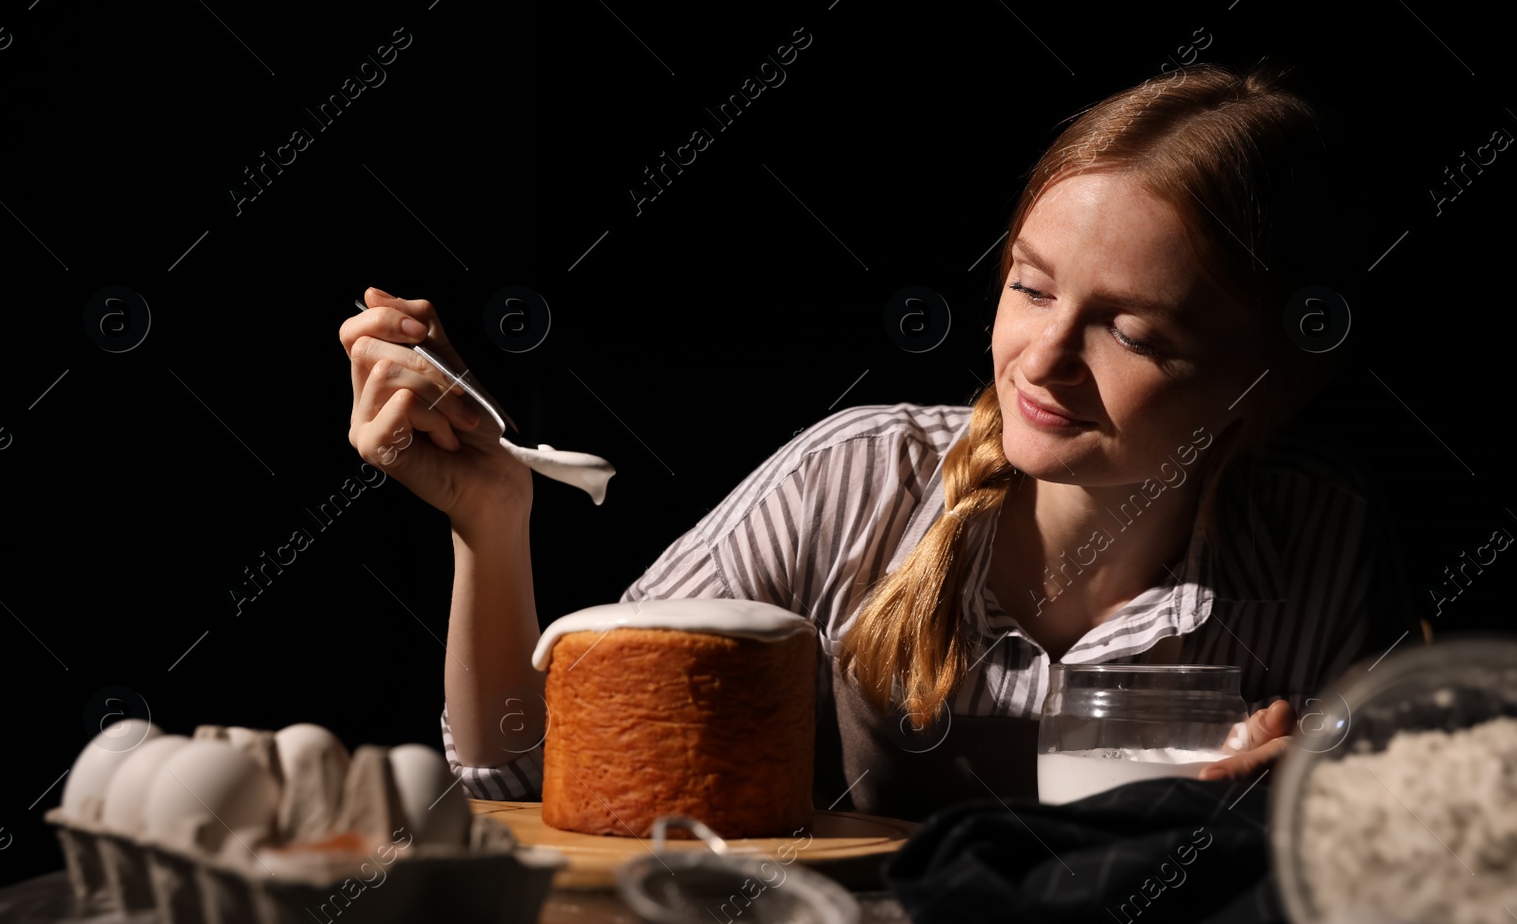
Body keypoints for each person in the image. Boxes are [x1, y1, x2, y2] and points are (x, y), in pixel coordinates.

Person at [338, 62, 1417, 821]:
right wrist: (490, 517)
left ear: (1260, 385)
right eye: (1030, 286)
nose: (1042, 356)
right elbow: (528, 773)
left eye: (1133, 332)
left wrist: (1303, 815)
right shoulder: (855, 476)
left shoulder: (1325, 534)